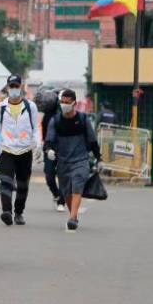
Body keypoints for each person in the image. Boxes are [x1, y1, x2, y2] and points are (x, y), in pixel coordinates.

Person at [45, 89, 102, 231]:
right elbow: (49, 140)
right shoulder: (56, 120)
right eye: (62, 102)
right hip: (63, 161)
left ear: (74, 103)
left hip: (81, 160)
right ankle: (74, 215)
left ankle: (72, 218)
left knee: (77, 185)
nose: (64, 105)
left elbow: (92, 140)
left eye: (67, 102)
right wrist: (49, 150)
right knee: (66, 192)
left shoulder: (83, 120)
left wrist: (99, 158)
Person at [0, 74, 41, 226]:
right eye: (11, 86)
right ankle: (7, 211)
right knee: (6, 181)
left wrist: (37, 144)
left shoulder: (30, 107)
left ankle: (19, 212)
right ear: (7, 88)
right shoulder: (0, 108)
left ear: (21, 87)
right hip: (6, 149)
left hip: (25, 149)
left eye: (16, 86)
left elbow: (35, 127)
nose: (14, 89)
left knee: (22, 185)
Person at [41, 93, 66, 212]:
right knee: (49, 176)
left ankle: (62, 200)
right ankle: (56, 194)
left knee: (62, 176)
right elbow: (44, 135)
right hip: (49, 149)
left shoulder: (61, 115)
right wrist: (45, 147)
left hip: (63, 150)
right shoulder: (45, 117)